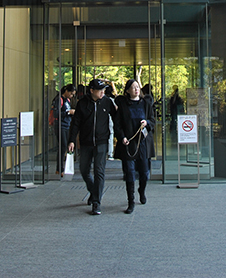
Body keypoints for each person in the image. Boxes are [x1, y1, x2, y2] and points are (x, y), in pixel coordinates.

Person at [68, 79, 115, 215]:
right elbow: (75, 123)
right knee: (84, 170)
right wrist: (72, 140)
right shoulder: (83, 103)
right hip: (86, 143)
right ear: (92, 91)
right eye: (100, 90)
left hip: (101, 142)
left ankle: (96, 203)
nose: (102, 92)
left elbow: (116, 117)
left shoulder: (107, 102)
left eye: (104, 90)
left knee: (99, 171)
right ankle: (94, 191)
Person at [113, 79, 155, 214]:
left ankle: (141, 191)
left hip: (143, 143)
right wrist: (122, 137)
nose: (136, 89)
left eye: (137, 87)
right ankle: (130, 201)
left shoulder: (146, 104)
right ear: (127, 90)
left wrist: (147, 122)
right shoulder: (123, 105)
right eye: (133, 87)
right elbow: (117, 124)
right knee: (129, 174)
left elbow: (153, 121)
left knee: (144, 173)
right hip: (129, 143)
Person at [53, 84, 76, 175]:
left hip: (66, 124)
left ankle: (63, 167)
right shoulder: (59, 99)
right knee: (62, 146)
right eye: (71, 93)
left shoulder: (67, 100)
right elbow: (57, 113)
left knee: (65, 146)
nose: (72, 95)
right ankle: (59, 168)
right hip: (60, 125)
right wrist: (68, 112)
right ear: (66, 91)